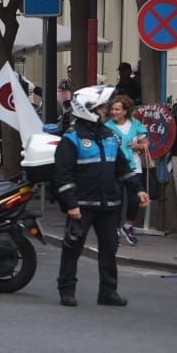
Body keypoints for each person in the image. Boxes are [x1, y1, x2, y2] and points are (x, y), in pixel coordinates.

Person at [56, 86, 148, 307]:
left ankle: (108, 292)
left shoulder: (109, 136)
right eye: (100, 108)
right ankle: (67, 290)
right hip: (82, 205)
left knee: (109, 249)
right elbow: (62, 175)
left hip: (110, 205)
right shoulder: (71, 139)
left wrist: (138, 189)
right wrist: (71, 204)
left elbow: (122, 167)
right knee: (72, 248)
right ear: (87, 109)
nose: (104, 111)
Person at [104, 94, 148, 246]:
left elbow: (146, 143)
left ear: (125, 111)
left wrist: (139, 146)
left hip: (134, 166)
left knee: (135, 200)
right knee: (117, 201)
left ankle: (128, 226)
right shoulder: (107, 127)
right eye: (112, 109)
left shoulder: (135, 124)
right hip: (114, 168)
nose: (114, 112)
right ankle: (115, 230)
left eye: (117, 109)